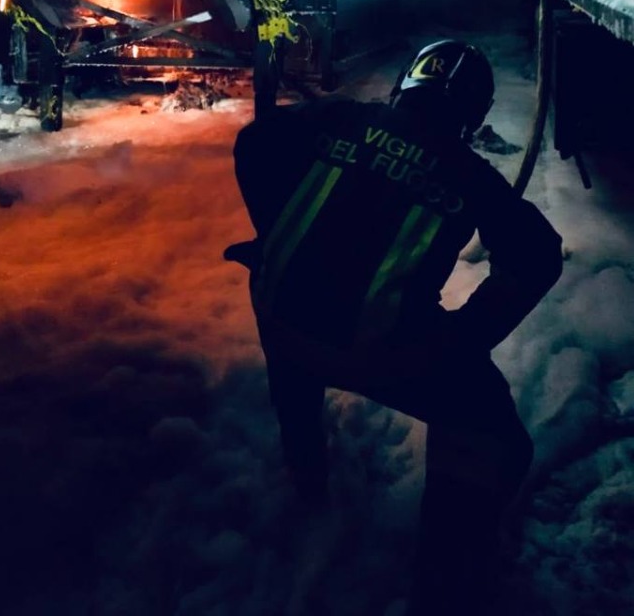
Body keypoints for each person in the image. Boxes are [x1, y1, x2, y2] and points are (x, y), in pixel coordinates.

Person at [227, 39, 563, 614]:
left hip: (280, 313)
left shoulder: (339, 119)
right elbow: (539, 254)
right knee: (493, 432)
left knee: (295, 348)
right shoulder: (469, 173)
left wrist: (274, 235)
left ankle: (306, 477)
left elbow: (253, 142)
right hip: (380, 354)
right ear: (473, 114)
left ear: (407, 82)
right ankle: (444, 581)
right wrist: (465, 341)